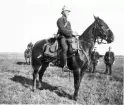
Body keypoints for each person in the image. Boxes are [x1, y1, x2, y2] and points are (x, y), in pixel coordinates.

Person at [57, 6, 78, 70]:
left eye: (69, 12)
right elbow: (62, 29)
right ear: (63, 12)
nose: (68, 13)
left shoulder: (68, 22)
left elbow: (69, 30)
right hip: (63, 37)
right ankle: (64, 65)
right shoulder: (60, 20)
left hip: (69, 37)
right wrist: (72, 32)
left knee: (75, 47)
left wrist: (74, 34)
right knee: (65, 49)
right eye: (67, 11)